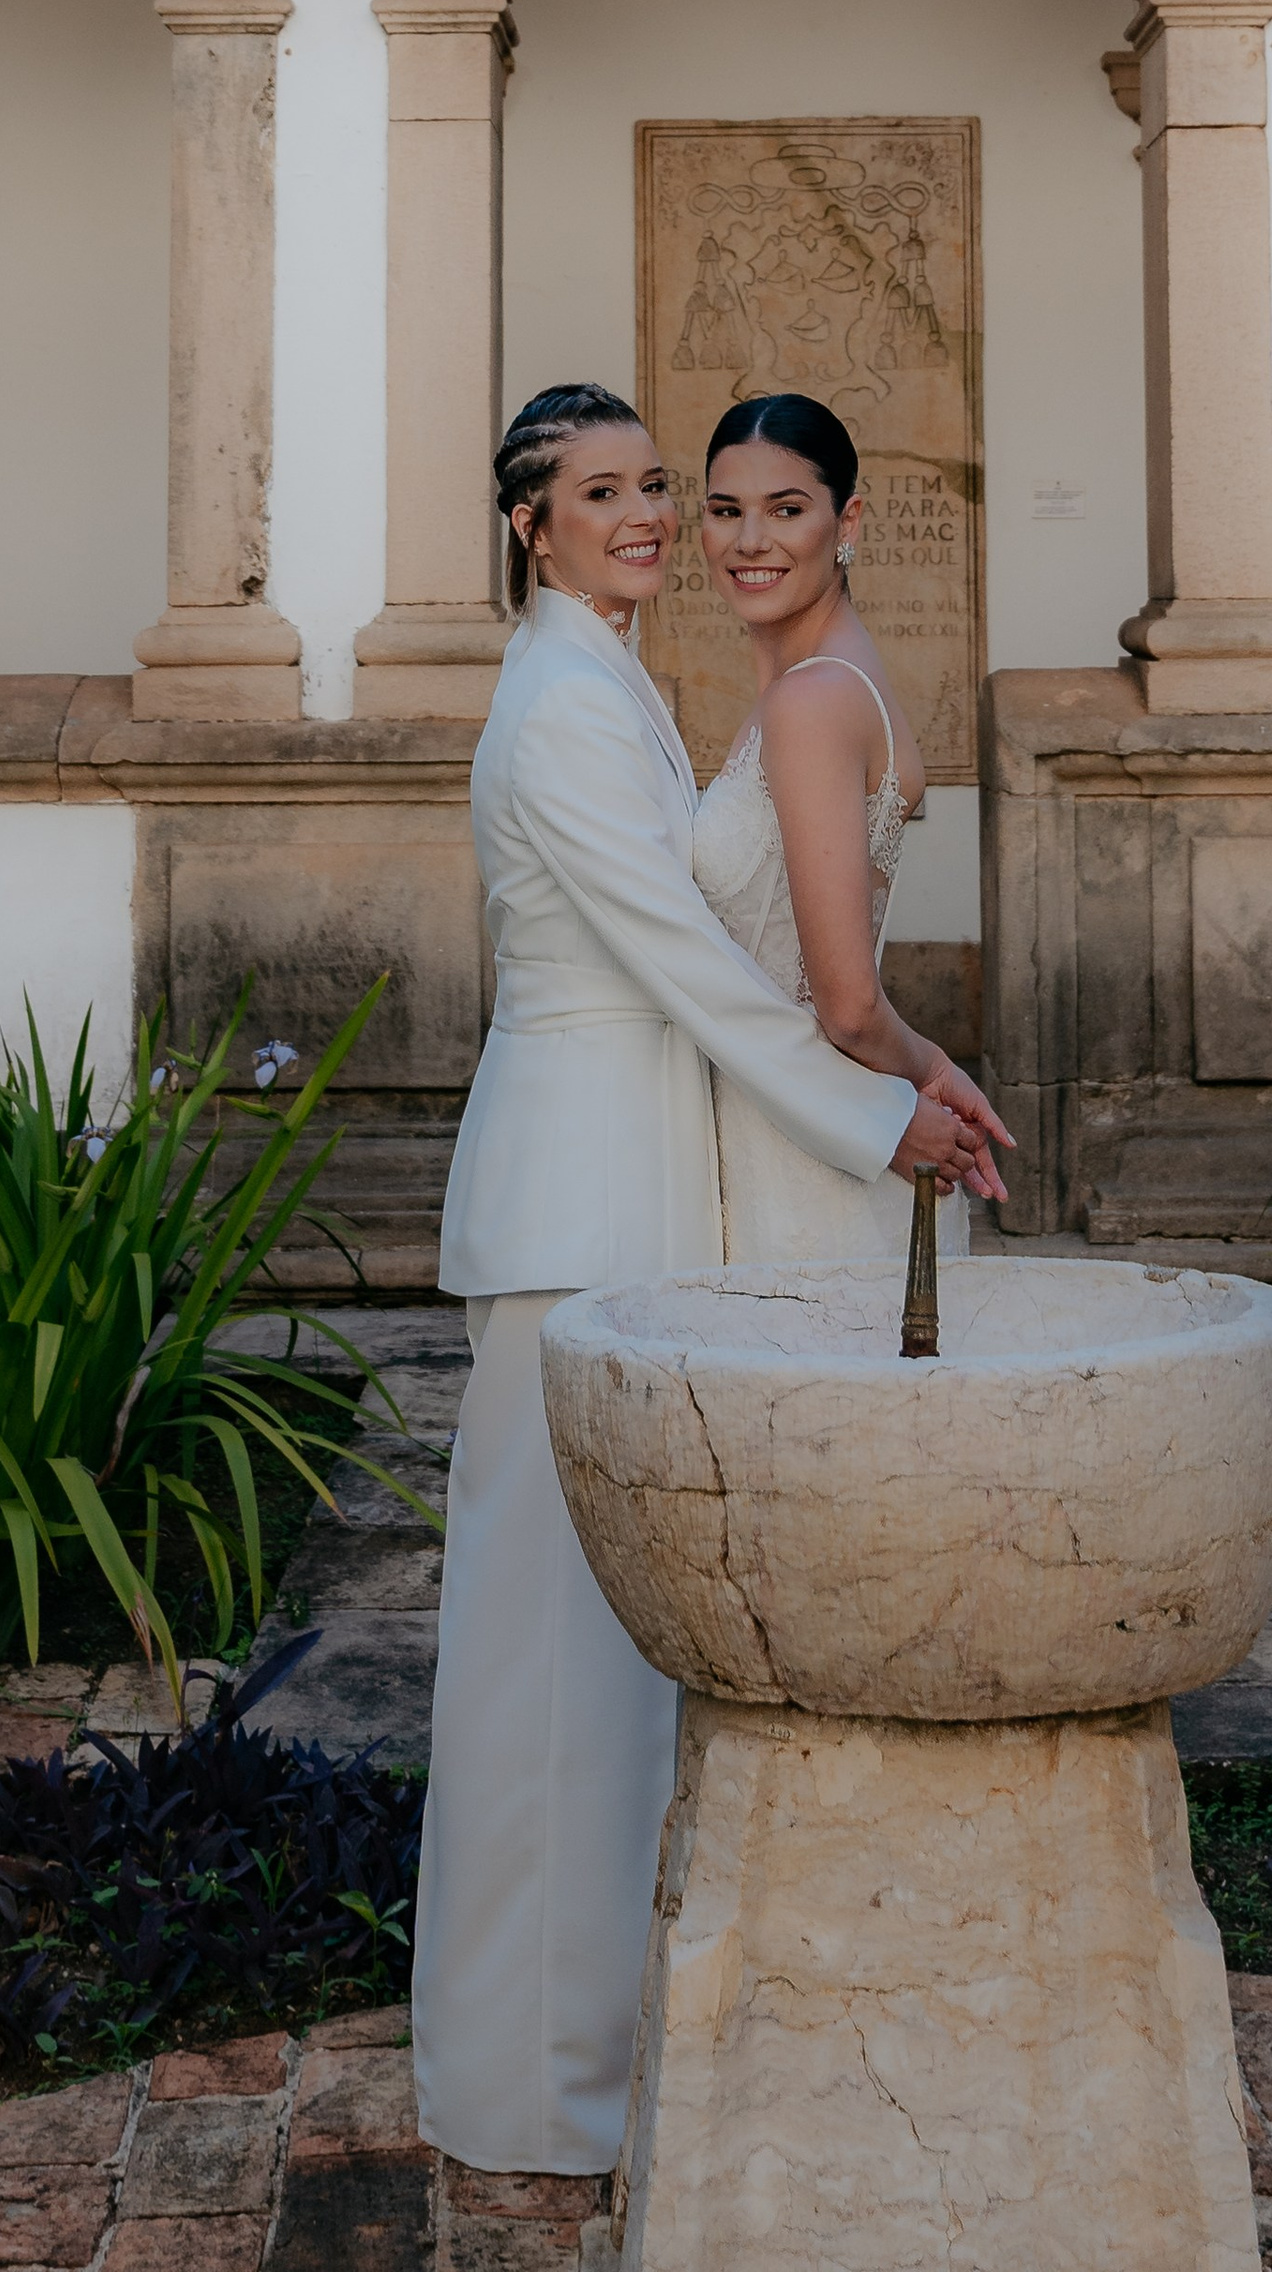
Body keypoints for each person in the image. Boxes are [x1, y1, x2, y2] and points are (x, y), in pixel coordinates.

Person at [409, 381, 990, 2186]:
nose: (653, 515)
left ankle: (614, 2048)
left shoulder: (620, 686)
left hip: (641, 1196)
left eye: (657, 483)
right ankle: (534, 2092)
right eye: (607, 491)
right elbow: (679, 959)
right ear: (531, 525)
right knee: (547, 1673)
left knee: (616, 1665)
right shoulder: (567, 706)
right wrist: (870, 1104)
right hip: (579, 1199)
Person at [693, 391, 1015, 1263]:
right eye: (725, 512)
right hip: (805, 1128)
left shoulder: (814, 701)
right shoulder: (832, 681)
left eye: (786, 509)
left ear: (849, 521)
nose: (749, 540)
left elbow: (846, 1007)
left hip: (803, 1158)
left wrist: (932, 1071)